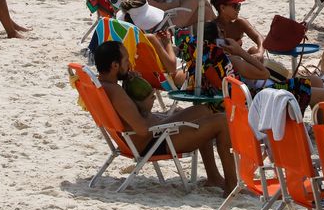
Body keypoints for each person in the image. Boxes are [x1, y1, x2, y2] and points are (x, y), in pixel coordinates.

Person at [94, 40, 236, 197]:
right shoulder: (116, 93)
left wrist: (130, 84)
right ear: (115, 66)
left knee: (203, 110)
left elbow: (131, 118)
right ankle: (232, 185)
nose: (130, 64)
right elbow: (143, 130)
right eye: (126, 61)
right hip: (154, 141)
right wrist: (155, 113)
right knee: (221, 121)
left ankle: (214, 177)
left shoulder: (104, 86)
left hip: (148, 136)